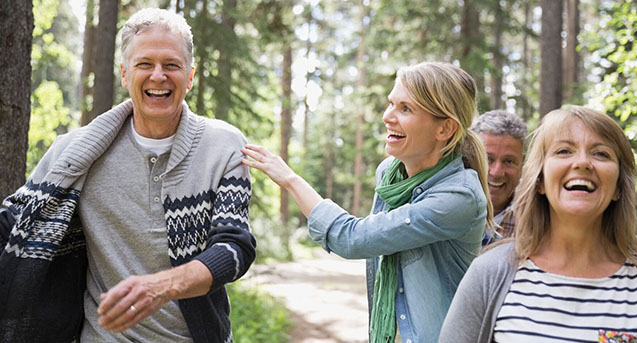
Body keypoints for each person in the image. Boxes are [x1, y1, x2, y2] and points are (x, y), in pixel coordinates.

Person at [0, 8, 255, 343]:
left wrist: (161, 287)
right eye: (145, 64)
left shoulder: (224, 146)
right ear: (124, 73)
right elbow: (13, 222)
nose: (158, 76)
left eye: (172, 65)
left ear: (190, 76)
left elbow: (235, 247)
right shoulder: (75, 152)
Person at [242, 61, 494, 343]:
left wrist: (290, 180)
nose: (388, 116)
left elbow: (354, 238)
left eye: (406, 109)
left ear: (445, 129)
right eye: (391, 103)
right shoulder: (390, 174)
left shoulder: (458, 197)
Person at [439, 106, 637, 343]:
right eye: (564, 151)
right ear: (540, 181)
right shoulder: (490, 274)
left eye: (601, 153)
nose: (582, 163)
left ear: (619, 187)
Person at [471, 110, 526, 246]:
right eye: (487, 159)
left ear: (522, 164)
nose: (496, 172)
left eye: (509, 161)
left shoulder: (536, 216)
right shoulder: (443, 204)